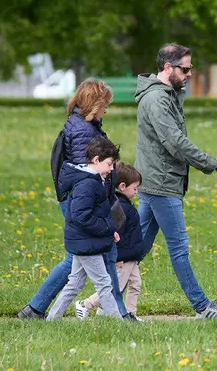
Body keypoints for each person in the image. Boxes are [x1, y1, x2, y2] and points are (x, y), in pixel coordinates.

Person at [134, 43, 217, 319]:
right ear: (168, 68)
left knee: (134, 250)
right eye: (186, 68)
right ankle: (203, 307)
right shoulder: (157, 100)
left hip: (155, 180)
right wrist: (211, 163)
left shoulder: (166, 95)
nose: (190, 73)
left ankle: (93, 302)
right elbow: (175, 143)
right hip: (161, 183)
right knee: (178, 248)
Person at [17, 78, 131, 319]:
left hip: (80, 199)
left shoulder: (83, 124)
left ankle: (38, 309)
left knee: (82, 260)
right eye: (105, 104)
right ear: (94, 103)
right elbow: (88, 173)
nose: (106, 109)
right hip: (82, 202)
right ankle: (117, 315)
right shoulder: (83, 130)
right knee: (87, 256)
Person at [46, 136, 123, 320]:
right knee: (104, 283)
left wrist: (109, 229)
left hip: (83, 241)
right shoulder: (88, 184)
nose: (112, 169)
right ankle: (118, 324)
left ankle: (52, 319)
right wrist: (105, 228)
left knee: (75, 283)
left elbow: (95, 213)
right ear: (96, 160)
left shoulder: (93, 180)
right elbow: (81, 216)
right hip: (86, 242)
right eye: (109, 164)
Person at [77, 162, 149, 320]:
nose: (136, 192)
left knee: (135, 285)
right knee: (115, 287)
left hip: (132, 255)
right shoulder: (120, 208)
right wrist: (116, 258)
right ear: (123, 186)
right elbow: (115, 235)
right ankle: (86, 304)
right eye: (135, 188)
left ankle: (130, 314)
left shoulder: (126, 205)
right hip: (124, 257)